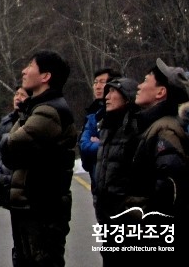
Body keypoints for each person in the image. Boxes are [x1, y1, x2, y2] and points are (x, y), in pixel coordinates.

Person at [0, 50, 78, 267]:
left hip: (42, 206)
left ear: (45, 76)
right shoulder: (34, 108)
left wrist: (6, 141)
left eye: (30, 65)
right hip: (29, 205)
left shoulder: (49, 111)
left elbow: (11, 145)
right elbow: (8, 151)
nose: (24, 70)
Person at [122, 59, 189, 261]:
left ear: (160, 92)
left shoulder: (165, 129)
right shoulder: (153, 125)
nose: (139, 86)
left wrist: (142, 220)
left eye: (145, 80)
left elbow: (170, 188)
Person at [91, 76, 139, 265]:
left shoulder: (135, 128)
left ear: (127, 97)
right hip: (106, 213)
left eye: (113, 92)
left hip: (127, 215)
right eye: (107, 92)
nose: (107, 96)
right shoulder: (107, 126)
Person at [0, 85, 28, 267]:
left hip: (28, 186)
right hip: (10, 184)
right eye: (16, 94)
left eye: (23, 94)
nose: (18, 97)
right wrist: (3, 166)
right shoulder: (6, 121)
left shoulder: (32, 119)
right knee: (18, 238)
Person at [80, 66, 122, 194]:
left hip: (115, 182)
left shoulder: (118, 113)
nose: (97, 86)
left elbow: (115, 147)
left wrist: (99, 143)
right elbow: (84, 145)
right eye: (95, 82)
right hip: (96, 177)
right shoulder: (93, 114)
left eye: (102, 82)